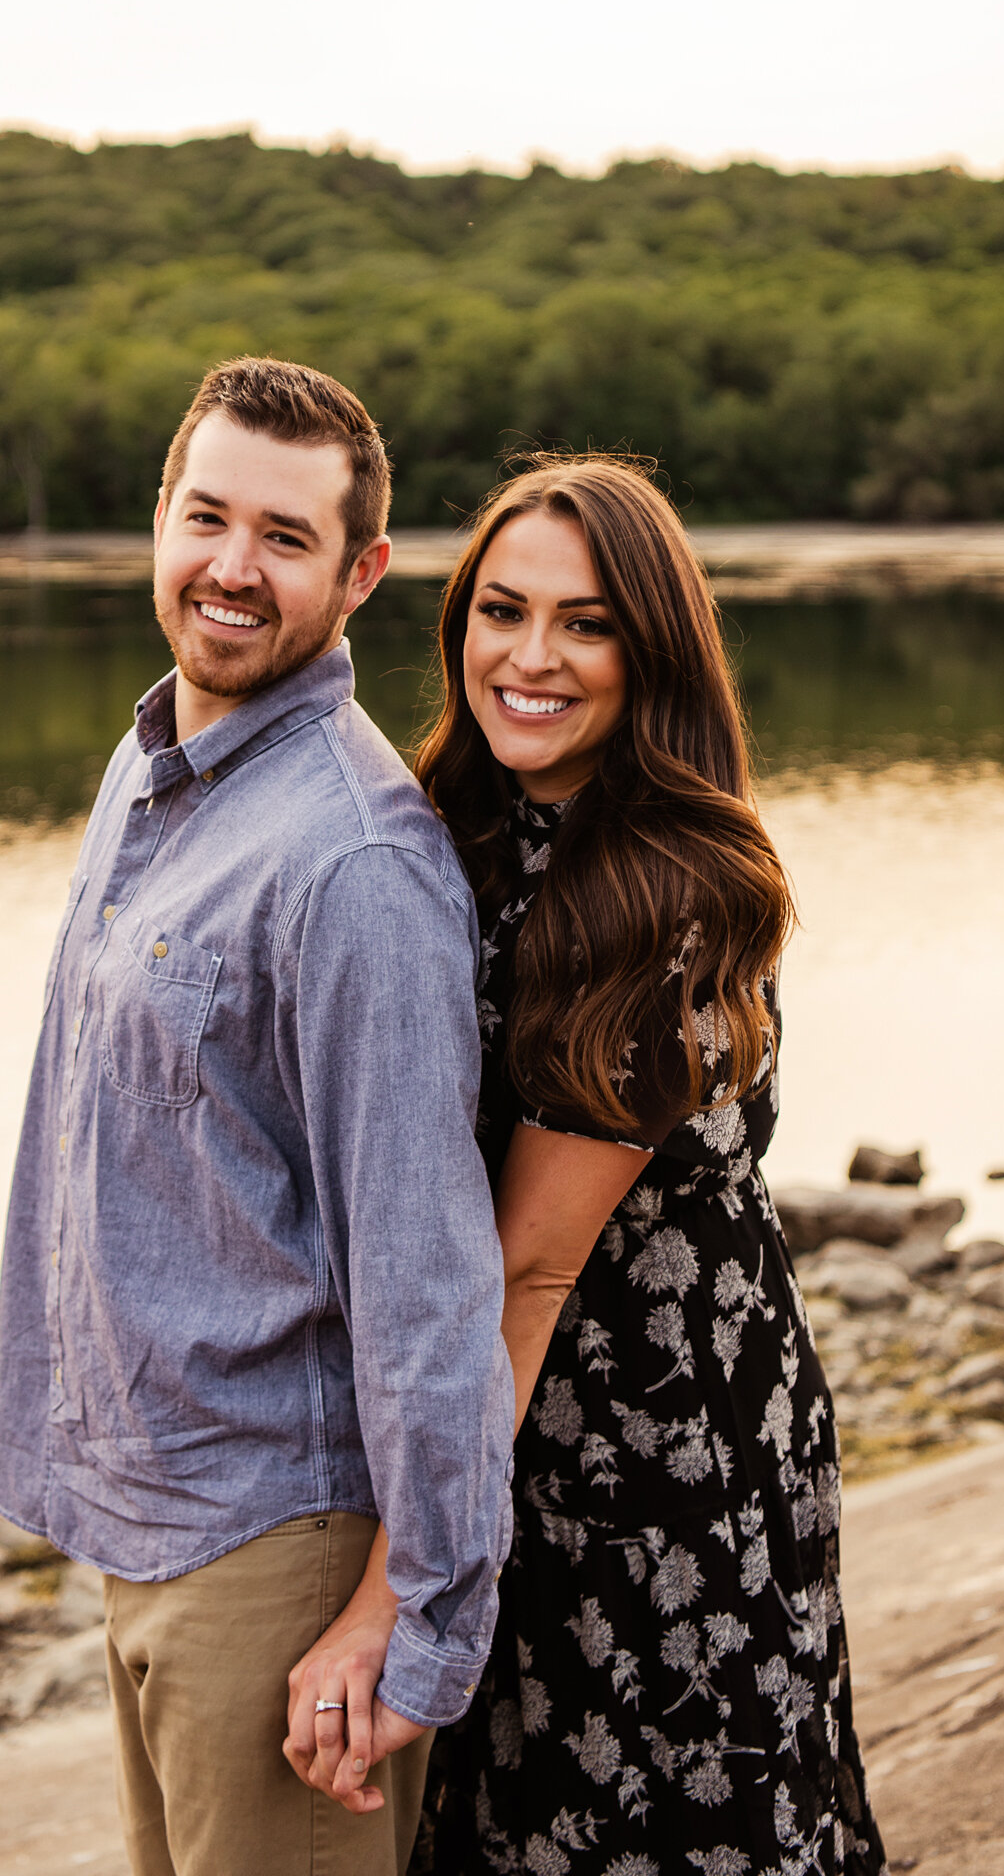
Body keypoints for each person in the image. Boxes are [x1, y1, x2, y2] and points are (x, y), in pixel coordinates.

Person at [303, 454, 885, 1872]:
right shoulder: (466, 828)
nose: (533, 656)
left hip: (655, 1450)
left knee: (658, 1825)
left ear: (653, 651)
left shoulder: (665, 890)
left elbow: (530, 1265)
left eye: (588, 623)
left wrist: (395, 1592)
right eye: (502, 610)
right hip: (506, 1422)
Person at [0, 356, 515, 1876]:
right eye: (206, 516)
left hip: (277, 1566)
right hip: (145, 1525)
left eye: (285, 538)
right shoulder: (151, 767)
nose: (232, 567)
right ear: (159, 518)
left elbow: (427, 1287)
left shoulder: (354, 866)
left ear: (361, 577)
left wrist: (417, 1619)